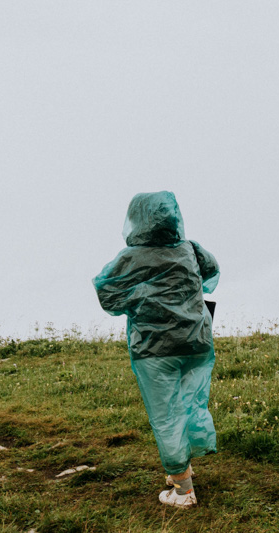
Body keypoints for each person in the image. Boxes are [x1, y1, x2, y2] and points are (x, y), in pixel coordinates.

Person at [93, 191, 220, 508]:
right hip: (196, 341)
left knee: (166, 416)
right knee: (189, 405)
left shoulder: (130, 258)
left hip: (155, 348)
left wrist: (141, 301)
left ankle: (183, 490)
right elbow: (212, 271)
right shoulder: (189, 248)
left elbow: (107, 294)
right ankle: (181, 468)